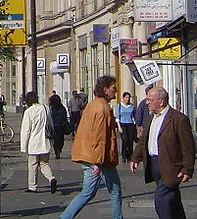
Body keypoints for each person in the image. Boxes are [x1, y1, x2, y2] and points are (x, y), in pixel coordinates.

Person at [59, 75, 123, 219]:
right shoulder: (102, 108)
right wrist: (97, 162)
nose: (116, 91)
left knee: (99, 191)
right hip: (99, 158)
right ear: (106, 90)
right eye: (114, 88)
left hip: (92, 155)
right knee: (94, 192)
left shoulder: (93, 105)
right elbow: (99, 137)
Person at [130, 87, 196, 219]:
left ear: (161, 101)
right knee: (172, 199)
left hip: (172, 166)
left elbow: (188, 147)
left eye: (150, 100)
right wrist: (135, 158)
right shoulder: (149, 119)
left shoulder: (178, 119)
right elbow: (143, 140)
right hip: (154, 164)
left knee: (161, 200)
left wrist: (187, 169)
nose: (147, 102)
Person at [20, 91, 58, 194]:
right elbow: (50, 124)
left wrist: (23, 146)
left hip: (33, 143)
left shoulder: (29, 112)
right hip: (45, 142)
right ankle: (51, 178)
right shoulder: (45, 108)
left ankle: (32, 186)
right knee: (44, 164)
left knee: (33, 165)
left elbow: (26, 130)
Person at [116, 92, 137, 162]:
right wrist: (119, 126)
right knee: (125, 140)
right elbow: (117, 117)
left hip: (130, 124)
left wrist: (135, 124)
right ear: (123, 98)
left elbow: (134, 115)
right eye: (126, 97)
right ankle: (123, 155)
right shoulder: (119, 106)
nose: (127, 99)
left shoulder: (132, 106)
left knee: (130, 141)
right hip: (123, 124)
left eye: (128, 98)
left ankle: (130, 155)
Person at [48, 93, 68, 159]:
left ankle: (57, 150)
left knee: (56, 140)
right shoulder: (62, 108)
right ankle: (58, 150)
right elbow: (65, 116)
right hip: (60, 126)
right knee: (60, 139)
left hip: (55, 126)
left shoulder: (51, 109)